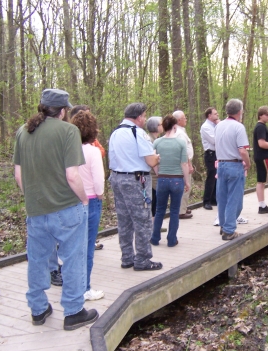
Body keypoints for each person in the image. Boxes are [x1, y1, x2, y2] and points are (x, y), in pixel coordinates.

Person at [14, 89, 98, 330]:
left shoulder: (23, 131)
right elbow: (72, 176)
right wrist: (84, 200)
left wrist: (34, 198)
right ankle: (73, 311)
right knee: (73, 258)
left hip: (35, 209)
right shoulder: (68, 131)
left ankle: (38, 309)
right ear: (62, 111)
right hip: (66, 207)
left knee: (38, 260)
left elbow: (18, 174)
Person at [108, 103, 163, 271]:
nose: (145, 119)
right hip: (136, 180)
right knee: (143, 220)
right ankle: (143, 259)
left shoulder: (115, 132)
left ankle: (127, 257)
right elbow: (150, 160)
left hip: (117, 178)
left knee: (124, 220)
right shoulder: (138, 133)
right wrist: (157, 158)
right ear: (138, 117)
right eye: (144, 116)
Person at [71, 110, 105, 301]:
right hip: (91, 200)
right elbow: (99, 180)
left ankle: (73, 285)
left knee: (72, 246)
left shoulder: (66, 148)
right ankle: (84, 287)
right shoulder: (92, 151)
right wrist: (100, 194)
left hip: (70, 199)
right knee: (87, 247)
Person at [150, 115, 190, 247]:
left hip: (162, 179)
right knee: (174, 210)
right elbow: (184, 164)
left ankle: (155, 238)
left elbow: (153, 160)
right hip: (177, 179)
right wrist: (187, 181)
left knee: (159, 209)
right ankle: (171, 239)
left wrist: (158, 172)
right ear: (174, 126)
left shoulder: (157, 142)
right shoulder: (180, 143)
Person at [215, 99, 251, 240]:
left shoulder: (218, 126)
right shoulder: (238, 127)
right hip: (234, 165)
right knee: (234, 199)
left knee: (222, 197)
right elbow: (242, 150)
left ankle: (224, 226)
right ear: (239, 112)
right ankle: (229, 230)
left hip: (221, 164)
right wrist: (247, 163)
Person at [172, 110, 194, 219]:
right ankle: (181, 211)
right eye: (184, 118)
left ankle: (183, 207)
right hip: (184, 163)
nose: (186, 119)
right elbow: (183, 151)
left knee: (184, 185)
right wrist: (188, 164)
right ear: (178, 120)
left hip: (184, 162)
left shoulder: (180, 131)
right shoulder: (179, 133)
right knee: (186, 186)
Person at [200, 107, 219, 210]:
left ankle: (213, 198)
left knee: (216, 176)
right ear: (209, 115)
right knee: (211, 176)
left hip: (217, 153)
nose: (217, 115)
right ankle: (206, 200)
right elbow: (214, 140)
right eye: (215, 114)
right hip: (210, 154)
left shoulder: (215, 125)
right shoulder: (206, 127)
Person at [146, 116, 163, 220]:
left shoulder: (155, 139)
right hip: (153, 176)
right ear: (156, 127)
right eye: (161, 124)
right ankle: (153, 225)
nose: (163, 126)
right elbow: (153, 159)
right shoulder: (150, 140)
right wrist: (158, 173)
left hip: (155, 175)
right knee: (154, 200)